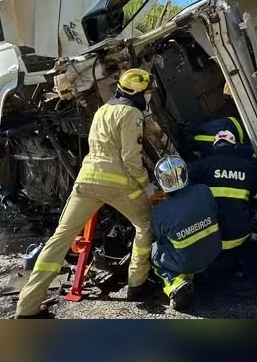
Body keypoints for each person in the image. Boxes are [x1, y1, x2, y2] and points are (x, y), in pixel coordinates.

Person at [14, 68, 157, 318]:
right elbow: (131, 159)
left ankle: (27, 306)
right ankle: (137, 284)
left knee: (60, 238)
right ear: (137, 93)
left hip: (86, 180)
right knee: (144, 225)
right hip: (119, 184)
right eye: (146, 93)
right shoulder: (132, 113)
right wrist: (147, 185)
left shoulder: (102, 111)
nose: (148, 97)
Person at [150, 154, 222, 310]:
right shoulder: (204, 190)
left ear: (161, 182)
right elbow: (213, 210)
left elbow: (157, 236)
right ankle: (199, 271)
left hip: (188, 263)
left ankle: (175, 284)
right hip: (214, 252)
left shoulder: (160, 212)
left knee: (154, 251)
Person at [189, 129, 257, 252]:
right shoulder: (248, 167)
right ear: (234, 146)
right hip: (241, 234)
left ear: (215, 146)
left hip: (211, 235)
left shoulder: (202, 165)